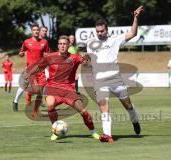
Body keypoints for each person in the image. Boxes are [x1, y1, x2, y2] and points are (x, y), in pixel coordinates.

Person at [23, 35, 99, 141]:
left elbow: (88, 64)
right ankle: (56, 130)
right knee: (50, 105)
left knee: (84, 112)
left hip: (69, 91)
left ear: (69, 45)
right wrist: (34, 82)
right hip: (53, 89)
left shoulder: (75, 57)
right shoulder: (50, 57)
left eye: (64, 44)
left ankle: (93, 132)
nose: (62, 46)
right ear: (58, 45)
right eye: (60, 44)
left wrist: (88, 59)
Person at [86, 6, 144, 142]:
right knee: (104, 107)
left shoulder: (115, 40)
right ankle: (108, 135)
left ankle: (135, 120)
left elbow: (133, 33)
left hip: (115, 80)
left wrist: (136, 17)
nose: (99, 33)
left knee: (128, 105)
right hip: (100, 81)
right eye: (97, 31)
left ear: (107, 30)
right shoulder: (90, 43)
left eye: (102, 31)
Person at [12, 23, 50, 112]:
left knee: (41, 88)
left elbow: (47, 54)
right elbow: (21, 52)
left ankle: (35, 106)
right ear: (31, 31)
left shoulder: (44, 42)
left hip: (40, 69)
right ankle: (15, 101)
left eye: (37, 30)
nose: (36, 31)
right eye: (34, 30)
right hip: (30, 69)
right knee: (25, 86)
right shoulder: (27, 42)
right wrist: (21, 54)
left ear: (39, 31)